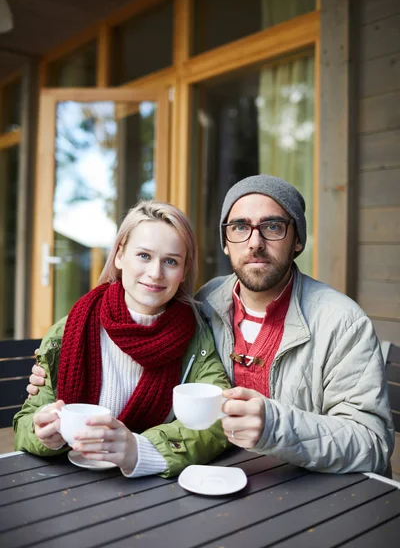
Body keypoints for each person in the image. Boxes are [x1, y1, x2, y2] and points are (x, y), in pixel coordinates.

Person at [27, 176, 395, 476]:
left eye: (273, 226)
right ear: (225, 241)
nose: (255, 242)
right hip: (208, 478)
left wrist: (275, 424)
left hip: (306, 486)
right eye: (239, 227)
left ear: (297, 239)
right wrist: (47, 371)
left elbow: (373, 444)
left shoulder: (342, 322)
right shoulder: (205, 306)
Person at [14, 200, 230, 479]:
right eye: (143, 256)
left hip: (158, 489)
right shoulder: (68, 331)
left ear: (184, 270)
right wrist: (45, 436)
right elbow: (25, 425)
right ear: (119, 256)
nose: (155, 273)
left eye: (171, 261)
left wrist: (140, 450)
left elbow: (217, 422)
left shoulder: (197, 337)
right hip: (70, 482)